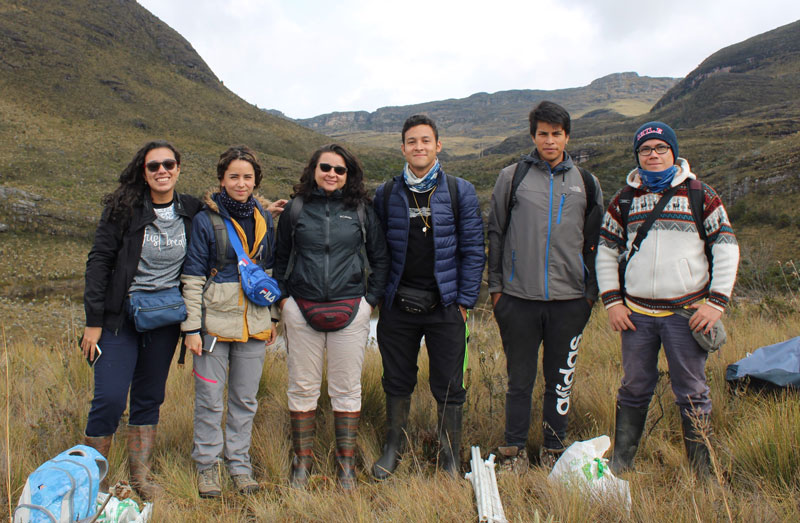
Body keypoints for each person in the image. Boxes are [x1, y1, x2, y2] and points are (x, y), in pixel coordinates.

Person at [596, 121, 739, 476]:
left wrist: (716, 303)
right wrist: (613, 303)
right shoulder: (624, 200)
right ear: (638, 156)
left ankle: (703, 472)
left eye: (661, 148)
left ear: (673, 152)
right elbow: (605, 252)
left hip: (686, 313)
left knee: (692, 391)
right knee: (633, 388)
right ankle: (622, 463)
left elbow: (726, 248)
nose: (654, 155)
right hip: (636, 315)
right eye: (646, 150)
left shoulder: (701, 195)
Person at [81, 140, 203, 500]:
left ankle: (140, 478)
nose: (162, 171)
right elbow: (99, 262)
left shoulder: (191, 210)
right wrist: (93, 321)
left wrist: (268, 210)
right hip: (120, 318)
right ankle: (94, 482)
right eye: (154, 166)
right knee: (111, 397)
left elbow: (231, 212)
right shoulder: (123, 210)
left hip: (164, 319)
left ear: (179, 168)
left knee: (150, 397)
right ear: (144, 172)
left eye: (169, 164)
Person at [487, 101, 603, 471]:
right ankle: (514, 451)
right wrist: (497, 291)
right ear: (533, 135)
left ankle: (555, 450)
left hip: (570, 302)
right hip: (517, 300)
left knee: (560, 381)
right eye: (542, 134)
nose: (549, 140)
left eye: (556, 134)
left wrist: (589, 295)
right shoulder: (512, 177)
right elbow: (496, 233)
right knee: (519, 381)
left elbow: (596, 241)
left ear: (567, 136)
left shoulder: (586, 182)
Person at [372, 114, 485, 479]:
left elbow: (473, 249)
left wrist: (465, 301)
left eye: (425, 140)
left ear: (438, 145)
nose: (418, 147)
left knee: (450, 384)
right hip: (398, 307)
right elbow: (377, 250)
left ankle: (450, 456)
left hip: (447, 306)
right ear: (403, 147)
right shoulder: (387, 194)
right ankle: (394, 449)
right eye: (411, 141)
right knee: (397, 379)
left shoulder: (459, 191)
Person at [274, 144, 389, 490]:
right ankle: (301, 467)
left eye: (340, 170)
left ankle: (347, 469)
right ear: (314, 169)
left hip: (351, 310)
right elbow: (280, 260)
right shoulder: (295, 210)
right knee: (303, 387)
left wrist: (369, 303)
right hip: (302, 309)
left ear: (349, 175)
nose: (332, 174)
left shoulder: (361, 211)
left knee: (347, 390)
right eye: (326, 167)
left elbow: (380, 259)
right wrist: (284, 302)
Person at [180, 146, 279, 497]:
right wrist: (192, 327)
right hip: (212, 328)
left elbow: (268, 274)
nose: (241, 183)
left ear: (256, 181)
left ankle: (239, 465)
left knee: (245, 400)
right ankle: (208, 466)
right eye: (234, 176)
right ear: (221, 179)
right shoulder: (206, 221)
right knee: (210, 399)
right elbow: (192, 276)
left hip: (254, 326)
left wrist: (272, 319)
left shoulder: (264, 220)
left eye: (247, 177)